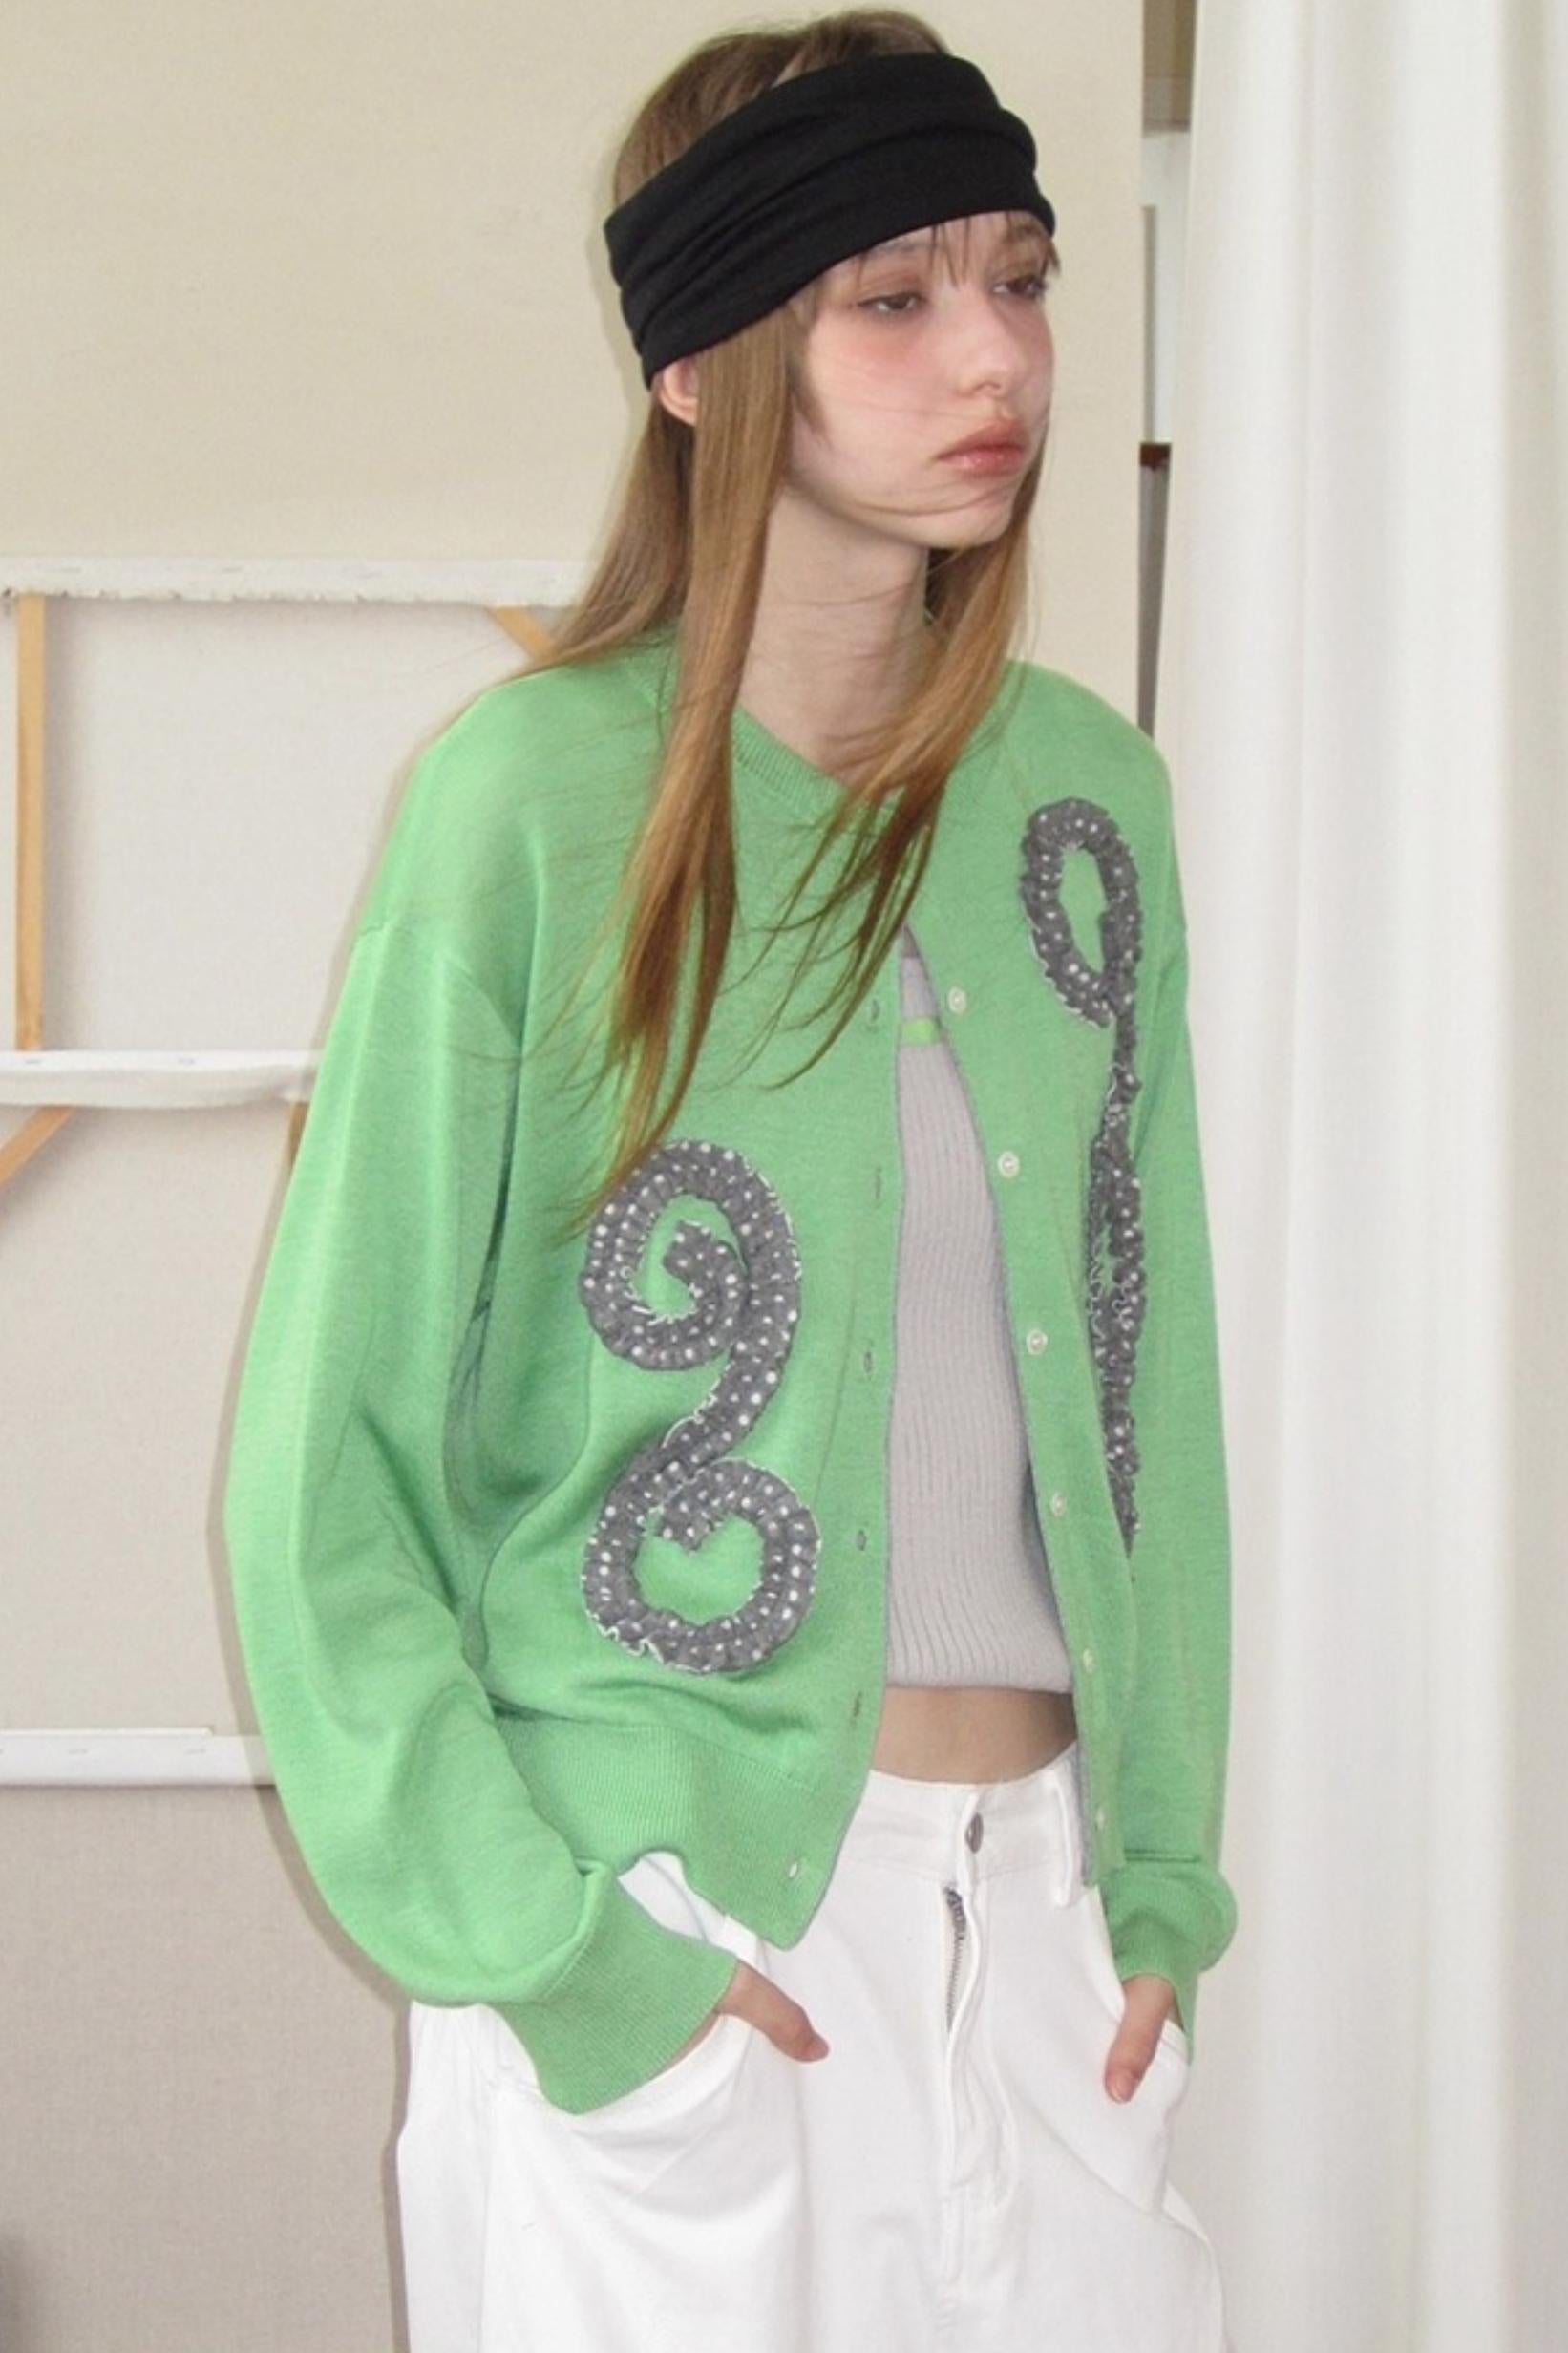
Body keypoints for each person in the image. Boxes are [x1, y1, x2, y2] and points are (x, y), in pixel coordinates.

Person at [222, 12, 1240, 2349]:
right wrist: (574, 1963)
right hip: (684, 1927)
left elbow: (1146, 1379)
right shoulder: (522, 806)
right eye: (891, 299)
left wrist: (1161, 1878)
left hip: (1047, 1934)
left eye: (1020, 277)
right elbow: (321, 1473)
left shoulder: (1088, 800)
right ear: (699, 366)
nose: (991, 357)